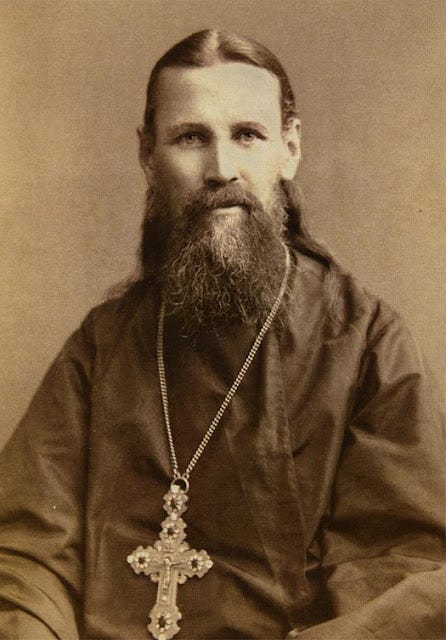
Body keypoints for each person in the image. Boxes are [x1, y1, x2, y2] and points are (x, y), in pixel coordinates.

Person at [0, 29, 444, 640]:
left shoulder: (366, 341)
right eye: (190, 138)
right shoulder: (103, 344)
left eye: (247, 135)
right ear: (148, 156)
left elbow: (401, 570)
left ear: (289, 149)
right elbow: (28, 556)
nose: (222, 170)